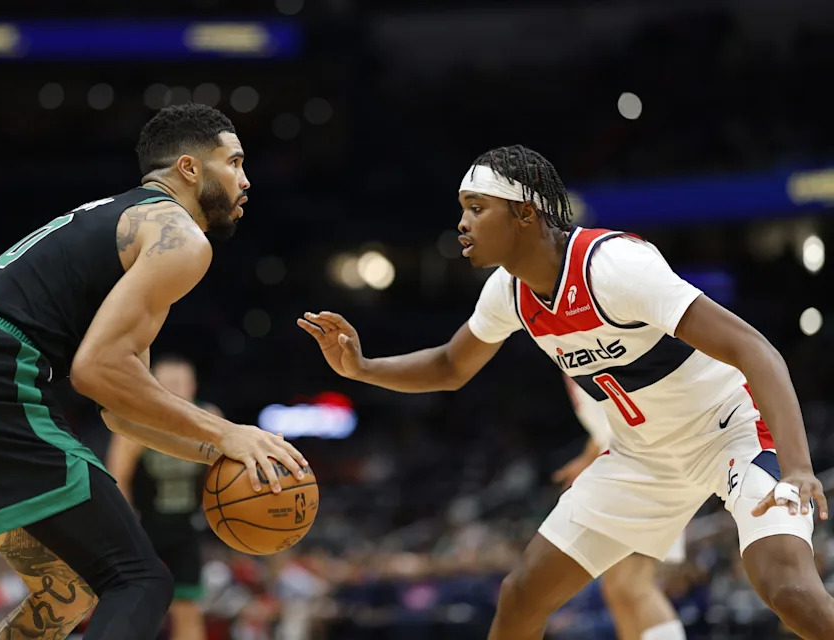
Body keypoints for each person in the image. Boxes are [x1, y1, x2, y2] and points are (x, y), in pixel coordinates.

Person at [297, 144, 832, 640]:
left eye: (477, 208)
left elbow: (756, 350)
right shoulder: (508, 292)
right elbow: (450, 365)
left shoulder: (614, 267)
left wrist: (799, 466)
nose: (462, 223)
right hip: (641, 459)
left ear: (525, 214)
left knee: (788, 593)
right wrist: (362, 368)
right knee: (523, 593)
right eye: (463, 208)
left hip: (731, 433)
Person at [0, 103, 308, 640]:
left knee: (64, 592)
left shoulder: (121, 221)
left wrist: (219, 450)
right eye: (236, 162)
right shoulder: (181, 237)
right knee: (141, 581)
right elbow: (95, 371)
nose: (247, 180)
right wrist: (229, 429)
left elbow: (124, 410)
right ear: (190, 168)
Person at [554, 374, 686, 640]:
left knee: (633, 584)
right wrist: (587, 458)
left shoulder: (591, 343)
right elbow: (605, 424)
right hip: (631, 464)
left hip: (644, 465)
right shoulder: (567, 353)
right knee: (616, 587)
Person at [107, 355, 217, 640]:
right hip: (146, 527)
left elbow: (223, 476)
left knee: (188, 608)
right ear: (152, 386)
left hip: (187, 527)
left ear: (193, 386)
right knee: (138, 607)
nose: (175, 389)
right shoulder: (136, 421)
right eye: (167, 383)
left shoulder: (211, 418)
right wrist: (126, 525)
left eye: (181, 383)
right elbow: (117, 476)